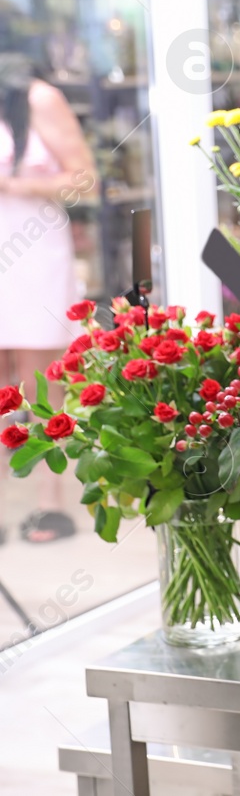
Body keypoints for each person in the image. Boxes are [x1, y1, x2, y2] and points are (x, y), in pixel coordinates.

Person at [0, 50, 96, 542]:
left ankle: (49, 504)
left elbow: (84, 177)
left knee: (40, 382)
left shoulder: (38, 98)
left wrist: (12, 183)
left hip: (33, 249)